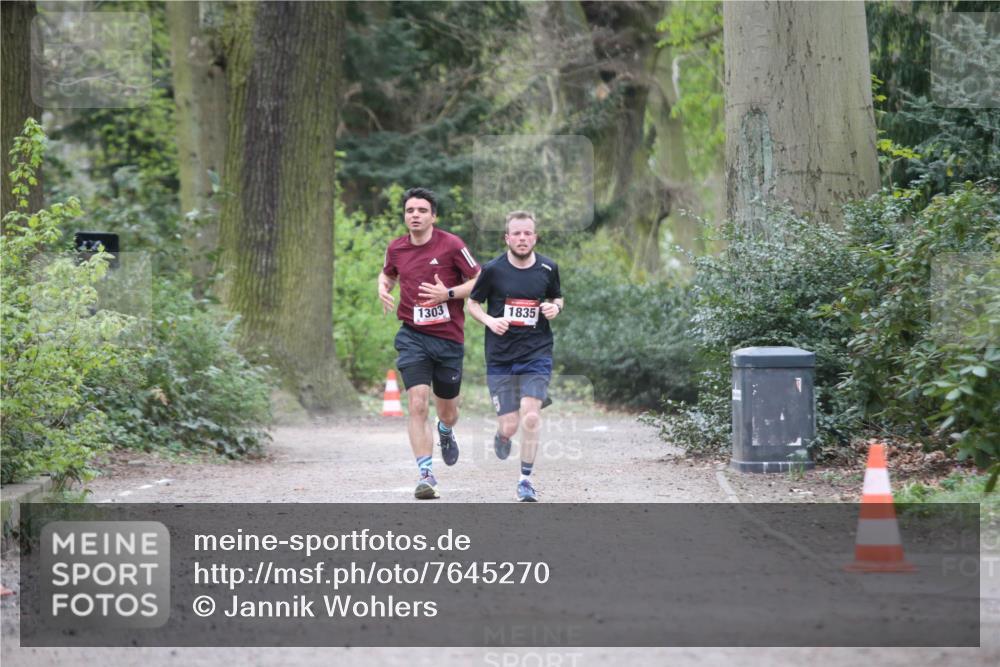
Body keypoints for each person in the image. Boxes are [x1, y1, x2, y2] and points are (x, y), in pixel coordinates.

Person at [378, 187, 480, 500]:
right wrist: (382, 288)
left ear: (433, 215)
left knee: (447, 411)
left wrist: (447, 294)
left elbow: (479, 279)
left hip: (448, 338)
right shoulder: (396, 248)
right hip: (412, 336)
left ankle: (446, 431)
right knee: (418, 403)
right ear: (405, 216)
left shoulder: (452, 245)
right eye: (410, 211)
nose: (416, 216)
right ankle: (425, 473)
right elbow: (387, 275)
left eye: (422, 210)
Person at [468, 211, 563, 502]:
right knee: (510, 424)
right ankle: (503, 435)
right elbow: (472, 303)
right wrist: (489, 321)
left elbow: (557, 296)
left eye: (528, 233)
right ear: (507, 238)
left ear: (535, 237)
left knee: (531, 417)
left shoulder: (548, 268)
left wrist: (555, 308)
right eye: (517, 234)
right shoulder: (493, 270)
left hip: (536, 353)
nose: (522, 238)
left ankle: (525, 481)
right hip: (500, 358)